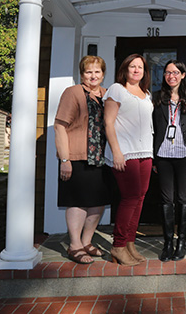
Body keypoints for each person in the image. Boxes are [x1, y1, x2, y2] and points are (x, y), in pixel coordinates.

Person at [54, 55, 111, 264]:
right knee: (77, 201)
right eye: (89, 72)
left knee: (97, 202)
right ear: (82, 74)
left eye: (97, 72)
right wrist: (64, 159)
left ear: (103, 74)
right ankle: (75, 245)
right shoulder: (73, 93)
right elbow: (60, 125)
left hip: (102, 158)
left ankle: (87, 241)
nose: (93, 76)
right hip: (77, 157)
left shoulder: (107, 95)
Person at [104, 54, 154, 266]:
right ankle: (118, 245)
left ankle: (130, 243)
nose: (136, 70)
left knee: (140, 198)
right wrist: (116, 152)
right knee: (130, 198)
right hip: (125, 152)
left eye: (140, 67)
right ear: (125, 69)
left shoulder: (146, 93)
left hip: (145, 152)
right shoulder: (117, 89)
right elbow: (108, 123)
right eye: (132, 66)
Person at [152, 60, 186, 262]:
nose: (171, 76)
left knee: (183, 198)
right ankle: (168, 243)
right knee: (166, 200)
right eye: (168, 72)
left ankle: (182, 242)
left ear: (182, 75)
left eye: (175, 72)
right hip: (163, 155)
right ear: (164, 76)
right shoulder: (155, 98)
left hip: (184, 155)